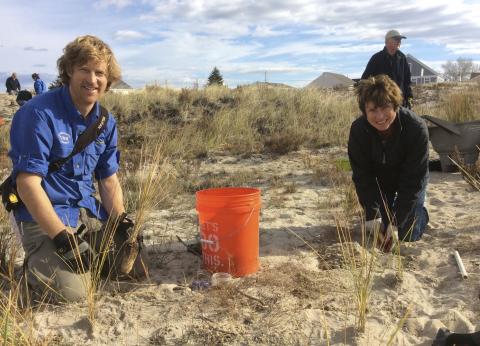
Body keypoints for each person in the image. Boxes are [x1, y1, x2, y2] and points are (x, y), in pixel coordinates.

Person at [8, 35, 146, 303]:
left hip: (85, 212)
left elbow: (108, 180)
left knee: (133, 263)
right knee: (73, 294)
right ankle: (33, 269)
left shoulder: (106, 122)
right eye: (84, 70)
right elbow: (27, 184)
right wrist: (61, 237)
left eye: (100, 73)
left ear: (109, 79)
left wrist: (121, 221)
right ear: (69, 70)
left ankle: (82, 256)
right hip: (42, 216)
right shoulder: (38, 114)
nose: (92, 80)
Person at [348, 74, 429, 251]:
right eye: (373, 110)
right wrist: (374, 215)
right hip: (381, 184)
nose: (380, 116)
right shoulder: (358, 131)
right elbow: (363, 178)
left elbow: (413, 181)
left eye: (385, 107)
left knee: (407, 233)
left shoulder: (416, 128)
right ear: (364, 111)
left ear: (396, 105)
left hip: (409, 183)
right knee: (378, 231)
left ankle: (421, 211)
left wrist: (396, 222)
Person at [361, 30, 413, 108]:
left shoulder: (402, 58)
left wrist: (409, 99)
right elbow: (365, 79)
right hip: (381, 103)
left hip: (399, 103)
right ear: (387, 41)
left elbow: (407, 81)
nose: (399, 42)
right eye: (396, 39)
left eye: (400, 40)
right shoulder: (376, 58)